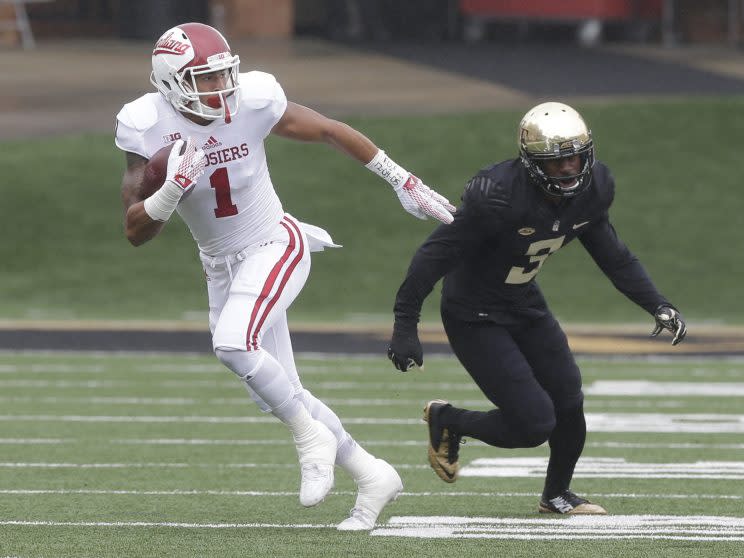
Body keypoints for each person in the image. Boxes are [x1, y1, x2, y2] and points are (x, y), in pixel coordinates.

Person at [115, 22, 456, 531]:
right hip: (220, 264)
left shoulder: (253, 100)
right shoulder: (144, 124)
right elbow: (136, 230)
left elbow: (328, 129)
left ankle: (308, 435)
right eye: (205, 80)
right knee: (272, 387)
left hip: (275, 242)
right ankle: (372, 474)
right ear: (169, 83)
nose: (220, 88)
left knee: (233, 345)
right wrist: (171, 189)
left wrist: (402, 179)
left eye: (223, 74)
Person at [387, 101, 687, 515]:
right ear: (531, 163)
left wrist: (657, 304)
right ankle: (448, 419)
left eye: (575, 158)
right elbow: (432, 257)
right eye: (557, 162)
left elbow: (613, 254)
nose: (568, 169)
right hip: (474, 313)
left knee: (569, 399)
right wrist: (406, 324)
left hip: (524, 301)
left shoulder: (594, 189)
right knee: (532, 424)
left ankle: (557, 495)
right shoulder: (498, 196)